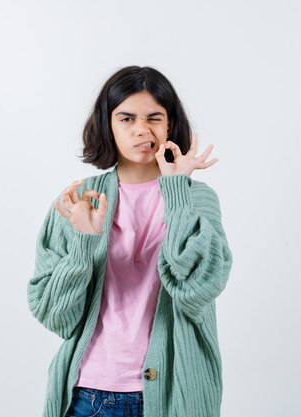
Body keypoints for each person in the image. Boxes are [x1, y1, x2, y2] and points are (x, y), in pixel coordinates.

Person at [27, 65, 233, 417]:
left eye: (155, 117)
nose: (142, 130)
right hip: (87, 396)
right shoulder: (78, 202)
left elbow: (199, 288)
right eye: (126, 118)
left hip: (174, 395)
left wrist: (176, 193)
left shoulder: (196, 200)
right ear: (107, 124)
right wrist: (83, 246)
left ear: (170, 125)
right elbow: (56, 316)